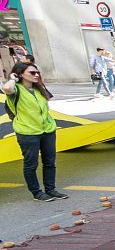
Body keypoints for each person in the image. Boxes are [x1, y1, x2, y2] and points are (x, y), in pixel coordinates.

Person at [2, 62, 68, 201]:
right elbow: (6, 88)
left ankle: (51, 190)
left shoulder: (39, 89)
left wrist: (50, 123)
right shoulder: (16, 90)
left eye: (37, 72)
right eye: (32, 73)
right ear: (20, 74)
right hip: (28, 132)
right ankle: (37, 193)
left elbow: (46, 107)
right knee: (31, 164)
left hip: (47, 130)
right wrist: (13, 78)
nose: (36, 75)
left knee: (49, 162)